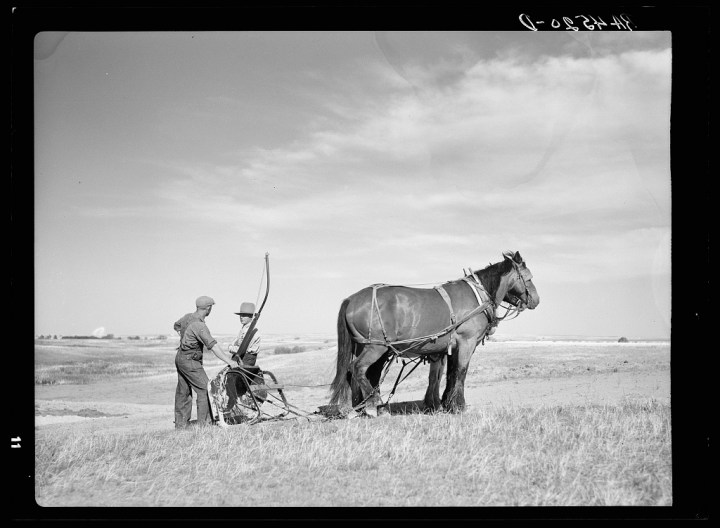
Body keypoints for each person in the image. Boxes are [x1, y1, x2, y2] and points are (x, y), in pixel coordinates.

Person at [173, 295, 237, 429]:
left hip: (180, 357)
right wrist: (229, 361)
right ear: (208, 308)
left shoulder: (187, 317)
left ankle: (181, 425)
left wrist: (184, 337)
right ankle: (205, 425)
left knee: (183, 391)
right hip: (190, 361)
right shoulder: (199, 325)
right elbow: (213, 346)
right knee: (205, 389)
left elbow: (176, 325)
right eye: (211, 307)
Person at [228, 302, 262, 367]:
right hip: (240, 360)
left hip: (245, 362)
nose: (241, 317)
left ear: (251, 316)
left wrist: (230, 348)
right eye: (241, 315)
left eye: (244, 315)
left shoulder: (252, 331)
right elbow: (236, 342)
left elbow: (242, 349)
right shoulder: (244, 329)